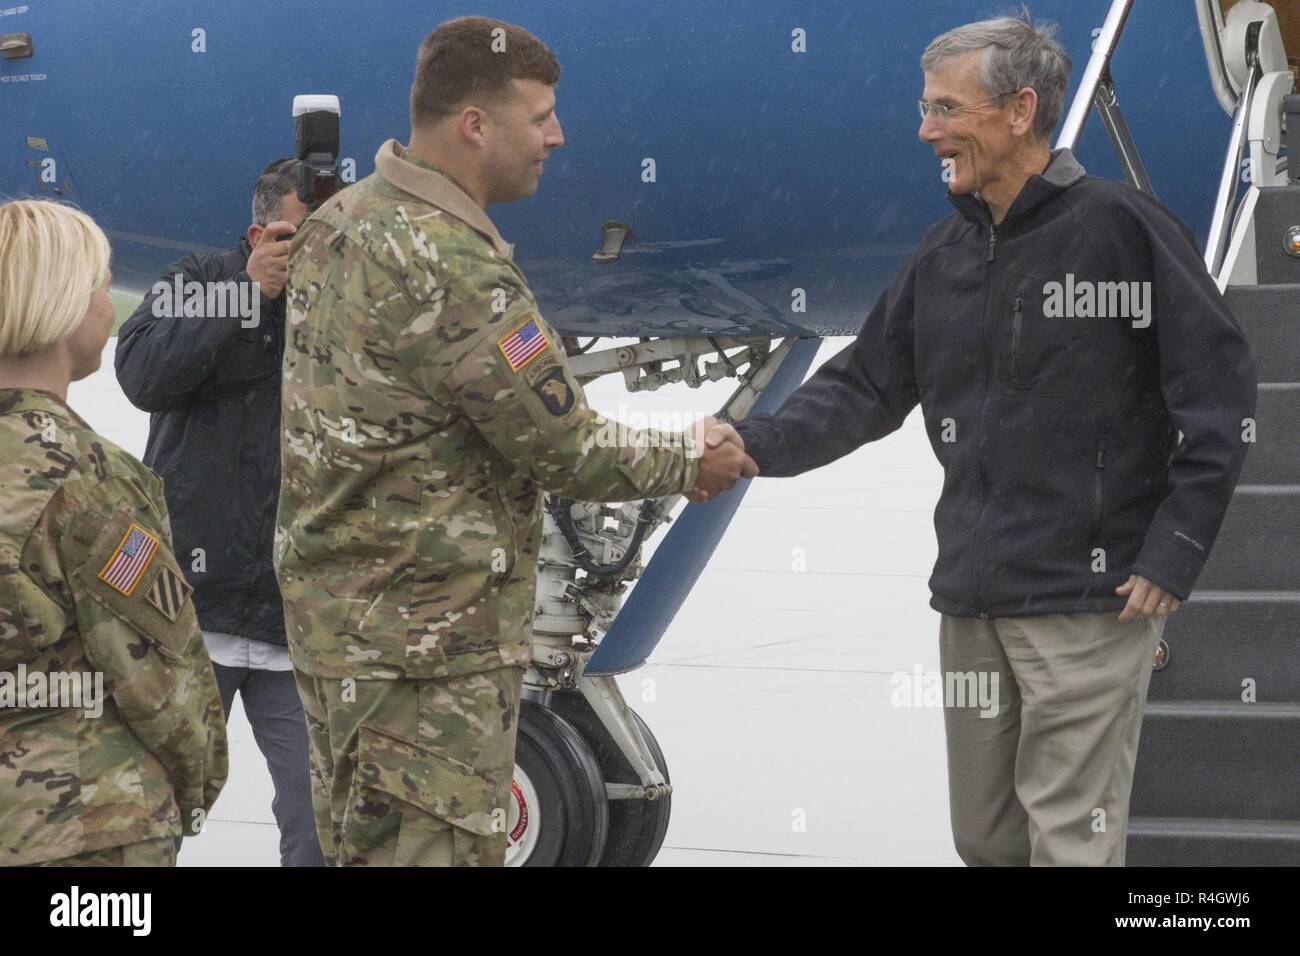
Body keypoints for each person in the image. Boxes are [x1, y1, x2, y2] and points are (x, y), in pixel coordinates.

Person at [735, 12, 1257, 866]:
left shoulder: (1122, 228)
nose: (925, 129)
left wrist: (1176, 548)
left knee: (1068, 836)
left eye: (945, 108)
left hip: (1087, 606)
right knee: (985, 840)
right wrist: (751, 445)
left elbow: (1222, 393)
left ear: (1019, 111)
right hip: (972, 604)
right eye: (925, 107)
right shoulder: (943, 254)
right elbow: (864, 386)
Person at [276, 16, 755, 866]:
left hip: (345, 637)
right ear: (475, 125)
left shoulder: (342, 220)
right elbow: (565, 447)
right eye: (540, 118)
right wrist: (692, 456)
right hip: (431, 659)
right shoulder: (454, 266)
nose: (556, 137)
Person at [0, 198, 227, 866]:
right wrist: (197, 784)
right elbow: (159, 672)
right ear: (65, 306)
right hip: (85, 831)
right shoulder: (90, 477)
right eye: (102, 284)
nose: (109, 305)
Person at [113, 160, 324, 866]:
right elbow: (142, 376)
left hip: (297, 622)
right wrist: (246, 295)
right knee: (148, 818)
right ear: (260, 230)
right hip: (192, 619)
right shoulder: (201, 280)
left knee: (329, 819)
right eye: (301, 233)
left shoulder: (340, 306)